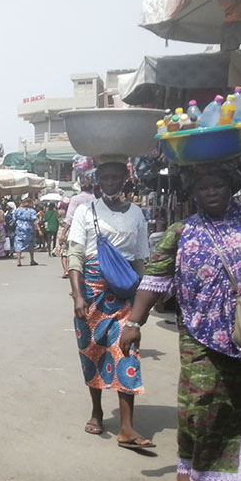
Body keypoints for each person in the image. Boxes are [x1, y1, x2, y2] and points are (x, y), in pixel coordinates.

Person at [120, 161, 241, 481]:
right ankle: (187, 473)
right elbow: (153, 280)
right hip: (198, 332)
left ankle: (238, 475)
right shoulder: (182, 231)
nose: (211, 192)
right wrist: (133, 323)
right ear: (194, 194)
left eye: (217, 185)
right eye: (203, 188)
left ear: (231, 186)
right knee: (198, 403)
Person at [67, 159, 152, 449]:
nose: (111, 182)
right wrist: (78, 295)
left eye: (117, 177)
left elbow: (141, 259)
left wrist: (142, 307)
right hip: (90, 294)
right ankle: (97, 411)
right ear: (98, 181)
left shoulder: (137, 214)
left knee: (126, 352)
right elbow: (75, 255)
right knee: (93, 353)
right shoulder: (85, 210)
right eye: (106, 178)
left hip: (125, 294)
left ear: (125, 179)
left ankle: (127, 428)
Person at [59, 175, 98, 277]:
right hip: (94, 231)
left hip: (77, 231)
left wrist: (63, 234)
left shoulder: (76, 199)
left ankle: (76, 285)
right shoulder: (96, 198)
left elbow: (69, 217)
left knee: (75, 258)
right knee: (91, 257)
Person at [11, 201, 40, 267]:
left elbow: (13, 218)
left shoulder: (18, 210)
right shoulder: (32, 211)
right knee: (30, 243)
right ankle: (32, 260)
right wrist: (38, 229)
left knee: (19, 243)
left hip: (19, 227)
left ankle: (18, 260)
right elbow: (35, 220)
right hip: (29, 228)